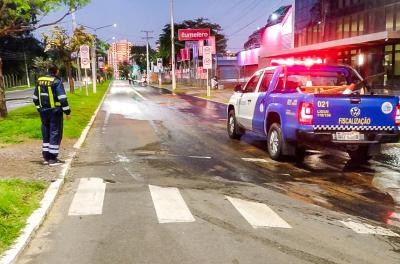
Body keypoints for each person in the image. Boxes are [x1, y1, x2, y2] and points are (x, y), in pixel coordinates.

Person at [33, 65, 71, 166]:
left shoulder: (40, 80)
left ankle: (46, 158)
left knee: (46, 133)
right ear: (56, 71)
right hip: (55, 112)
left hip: (43, 111)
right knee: (55, 133)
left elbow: (35, 98)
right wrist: (67, 112)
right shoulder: (56, 81)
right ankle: (53, 159)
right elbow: (62, 98)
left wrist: (39, 109)